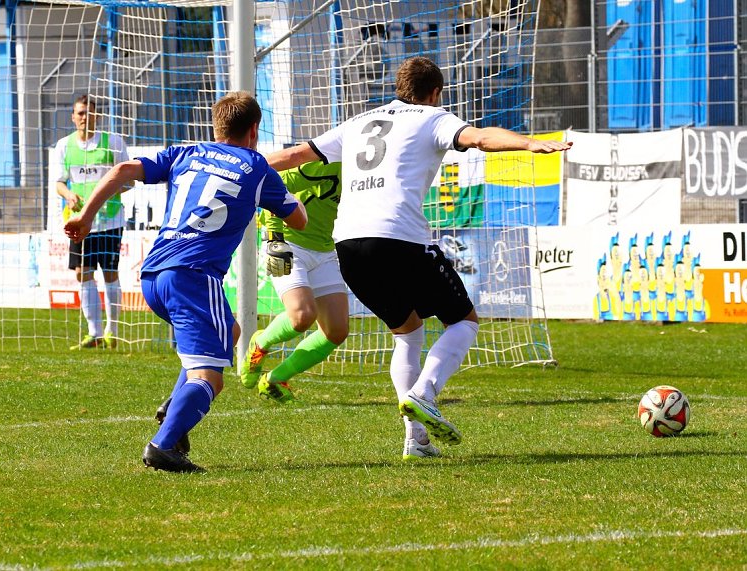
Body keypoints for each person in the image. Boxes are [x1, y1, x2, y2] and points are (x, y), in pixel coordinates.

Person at [266, 56, 572, 460]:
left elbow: (290, 157)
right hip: (398, 238)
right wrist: (530, 143)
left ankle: (417, 440)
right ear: (434, 93)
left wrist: (235, 164)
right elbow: (480, 138)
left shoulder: (359, 121)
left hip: (349, 245)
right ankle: (425, 393)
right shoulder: (432, 117)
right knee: (463, 321)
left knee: (408, 332)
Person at [65, 91, 307, 472]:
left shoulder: (186, 152)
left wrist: (86, 218)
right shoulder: (256, 166)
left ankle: (172, 408)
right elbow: (299, 220)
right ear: (254, 129)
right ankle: (164, 446)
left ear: (216, 124)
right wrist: (290, 196)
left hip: (153, 275)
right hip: (193, 277)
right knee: (211, 377)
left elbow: (121, 171)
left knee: (230, 331)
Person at [238, 160, 349, 403]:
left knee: (337, 331)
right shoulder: (327, 165)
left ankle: (276, 379)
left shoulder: (376, 177)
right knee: (302, 316)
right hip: (289, 244)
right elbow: (276, 183)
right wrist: (275, 238)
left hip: (325, 250)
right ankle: (260, 343)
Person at [55, 94, 130, 350]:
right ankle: (93, 332)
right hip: (78, 222)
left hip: (108, 220)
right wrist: (68, 194)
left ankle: (112, 331)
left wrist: (104, 194)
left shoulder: (113, 143)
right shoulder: (64, 146)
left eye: (89, 112)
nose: (84, 117)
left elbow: (128, 181)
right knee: (82, 273)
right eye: (80, 113)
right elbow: (59, 182)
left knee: (109, 273)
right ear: (73, 117)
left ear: (97, 115)